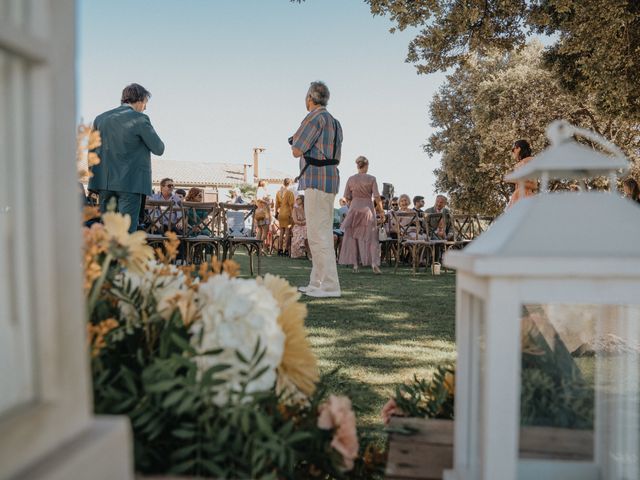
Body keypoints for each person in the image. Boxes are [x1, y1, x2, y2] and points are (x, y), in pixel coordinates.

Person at [88, 83, 165, 233]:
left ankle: (109, 257)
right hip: (131, 184)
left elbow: (91, 151)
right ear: (140, 100)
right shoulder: (140, 119)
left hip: (104, 184)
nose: (145, 108)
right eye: (145, 103)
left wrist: (93, 181)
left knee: (107, 232)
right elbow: (159, 148)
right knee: (126, 233)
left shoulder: (100, 119)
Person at [290, 81, 343, 298]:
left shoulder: (313, 117)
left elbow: (297, 150)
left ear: (311, 98)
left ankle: (329, 286)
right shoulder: (336, 122)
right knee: (319, 233)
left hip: (315, 180)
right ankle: (317, 282)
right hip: (330, 180)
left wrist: (296, 141)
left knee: (318, 235)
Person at [338, 156, 384, 274]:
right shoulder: (372, 178)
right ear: (367, 166)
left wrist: (352, 204)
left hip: (354, 208)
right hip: (368, 208)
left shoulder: (351, 179)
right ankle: (373, 263)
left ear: (357, 165)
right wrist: (382, 211)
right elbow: (377, 197)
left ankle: (355, 265)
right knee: (371, 238)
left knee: (353, 237)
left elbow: (347, 197)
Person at [506, 139, 536, 208]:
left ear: (519, 148)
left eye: (513, 150)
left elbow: (534, 185)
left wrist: (513, 179)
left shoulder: (530, 160)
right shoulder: (518, 164)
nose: (513, 152)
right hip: (517, 197)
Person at [275, 178, 295, 256]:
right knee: (287, 232)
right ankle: (286, 250)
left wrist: (276, 213)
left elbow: (276, 205)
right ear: (289, 183)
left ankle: (279, 249)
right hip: (287, 214)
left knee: (281, 232)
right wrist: (292, 214)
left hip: (281, 214)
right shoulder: (290, 192)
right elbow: (292, 205)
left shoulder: (278, 192)